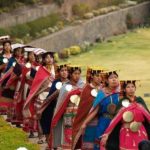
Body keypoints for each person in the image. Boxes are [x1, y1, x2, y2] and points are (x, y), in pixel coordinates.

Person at [100, 80, 150, 150]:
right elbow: (115, 120)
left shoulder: (140, 100)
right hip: (126, 133)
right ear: (124, 89)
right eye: (128, 87)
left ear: (135, 88)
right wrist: (107, 134)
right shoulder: (122, 102)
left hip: (140, 132)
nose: (131, 89)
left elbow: (148, 116)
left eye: (132, 86)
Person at [80, 71, 120, 150]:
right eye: (111, 78)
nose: (114, 79)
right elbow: (95, 110)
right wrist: (84, 123)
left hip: (117, 123)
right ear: (107, 81)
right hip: (103, 123)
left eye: (115, 77)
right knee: (101, 144)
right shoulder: (102, 93)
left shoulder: (120, 94)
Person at [48, 65, 85, 149]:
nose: (77, 75)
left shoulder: (83, 86)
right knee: (68, 135)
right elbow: (61, 103)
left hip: (79, 115)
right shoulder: (65, 87)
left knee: (79, 136)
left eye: (79, 73)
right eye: (75, 73)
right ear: (70, 74)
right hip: (68, 115)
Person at [72, 67, 104, 150]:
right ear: (92, 76)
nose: (99, 78)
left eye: (101, 76)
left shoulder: (104, 89)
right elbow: (83, 107)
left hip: (101, 120)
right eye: (97, 75)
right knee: (89, 143)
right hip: (88, 120)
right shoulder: (86, 89)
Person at [40, 64, 69, 144]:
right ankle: (50, 142)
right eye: (62, 71)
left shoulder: (70, 82)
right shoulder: (56, 82)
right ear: (59, 72)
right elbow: (51, 95)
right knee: (46, 117)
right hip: (54, 105)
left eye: (66, 70)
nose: (64, 72)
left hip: (67, 107)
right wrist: (58, 91)